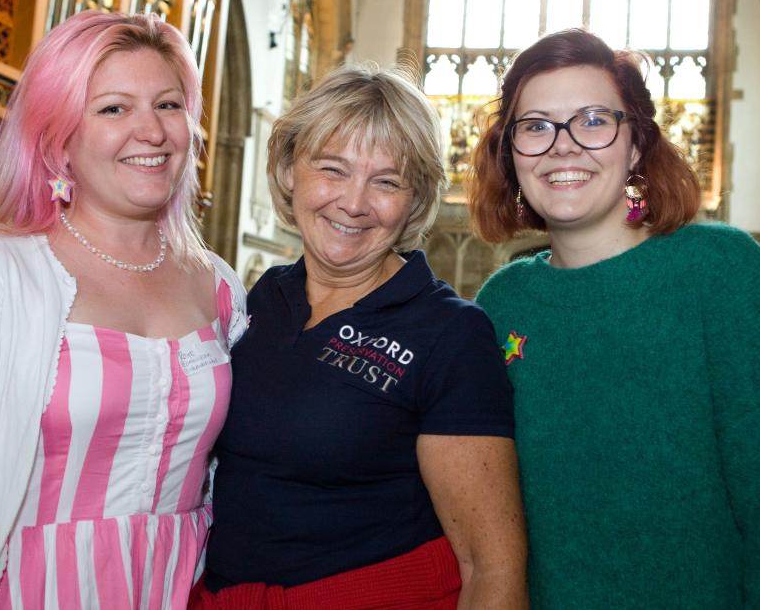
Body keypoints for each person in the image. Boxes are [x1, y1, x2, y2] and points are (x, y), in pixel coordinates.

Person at [0, 11, 247, 609]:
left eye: (168, 105)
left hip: (179, 589)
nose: (152, 131)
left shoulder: (217, 285)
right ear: (59, 140)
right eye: (113, 108)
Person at [468, 28, 760, 608]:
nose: (563, 146)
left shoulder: (719, 271)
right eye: (536, 126)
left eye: (594, 120)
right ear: (510, 153)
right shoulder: (502, 303)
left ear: (637, 143)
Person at [191, 65, 528, 610]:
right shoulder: (265, 296)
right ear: (287, 171)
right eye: (332, 169)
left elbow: (492, 566)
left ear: (416, 198)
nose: (353, 202)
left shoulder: (450, 333)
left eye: (387, 181)